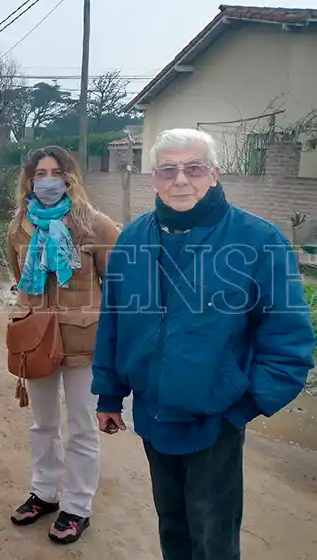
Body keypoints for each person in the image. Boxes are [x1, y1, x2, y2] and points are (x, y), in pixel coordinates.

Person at [92, 128, 314, 559]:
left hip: (215, 421)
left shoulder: (258, 241)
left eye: (193, 168)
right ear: (153, 178)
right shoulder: (132, 240)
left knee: (213, 539)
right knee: (172, 526)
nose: (180, 180)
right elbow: (114, 323)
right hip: (153, 416)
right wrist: (109, 395)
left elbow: (289, 342)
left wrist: (241, 407)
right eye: (168, 170)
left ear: (213, 174)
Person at [6, 146, 120, 544]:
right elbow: (18, 276)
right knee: (43, 424)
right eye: (40, 174)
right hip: (37, 340)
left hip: (84, 343)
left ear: (70, 178)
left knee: (83, 428)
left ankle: (77, 507)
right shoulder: (19, 226)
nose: (48, 181)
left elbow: (117, 286)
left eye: (56, 173)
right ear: (29, 181)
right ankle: (45, 493)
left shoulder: (96, 225)